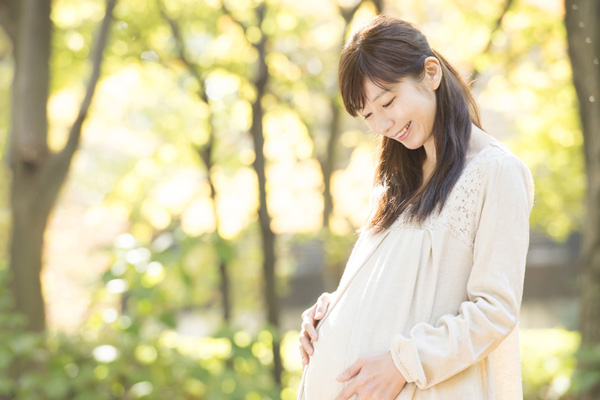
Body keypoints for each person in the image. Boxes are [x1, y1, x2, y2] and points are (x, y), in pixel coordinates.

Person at [297, 15, 535, 400]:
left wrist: (404, 363)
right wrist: (329, 310)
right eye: (368, 115)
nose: (382, 124)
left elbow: (495, 311)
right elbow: (395, 285)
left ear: (430, 72)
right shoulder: (397, 180)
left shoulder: (496, 172)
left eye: (387, 101)